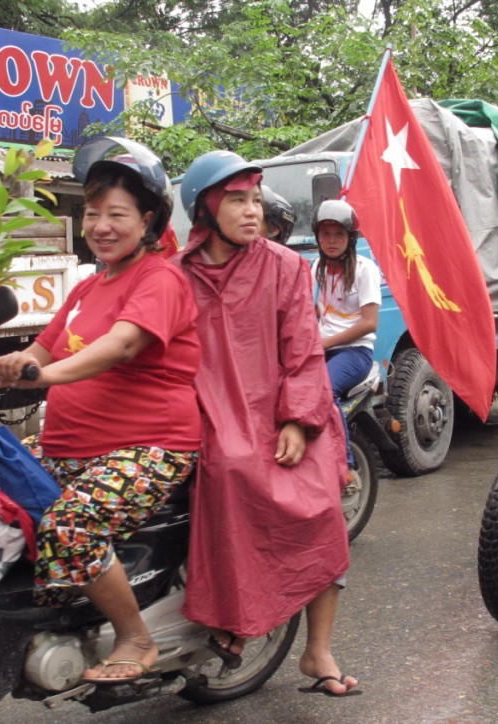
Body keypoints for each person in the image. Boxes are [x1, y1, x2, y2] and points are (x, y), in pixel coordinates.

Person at [0, 137, 201, 685]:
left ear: (148, 219)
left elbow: (124, 344)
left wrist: (47, 376)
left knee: (72, 522)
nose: (101, 225)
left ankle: (136, 638)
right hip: (70, 446)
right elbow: (43, 347)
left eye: (117, 214)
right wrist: (1, 364)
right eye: (92, 212)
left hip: (149, 447)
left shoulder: (161, 278)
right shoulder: (88, 285)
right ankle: (45, 607)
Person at [173, 150, 360, 696]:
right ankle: (233, 617)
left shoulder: (284, 266)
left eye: (255, 200)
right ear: (204, 209)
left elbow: (302, 351)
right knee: (228, 475)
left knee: (322, 509)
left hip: (285, 409)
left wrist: (298, 421)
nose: (251, 211)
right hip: (212, 410)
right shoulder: (176, 276)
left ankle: (317, 649)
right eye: (237, 200)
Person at [311, 199, 380, 476]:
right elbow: (314, 309)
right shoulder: (318, 266)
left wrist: (324, 343)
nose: (332, 240)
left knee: (325, 389)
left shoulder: (365, 269)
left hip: (355, 352)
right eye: (326, 234)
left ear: (350, 238)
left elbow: (369, 322)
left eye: (339, 234)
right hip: (321, 348)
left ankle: (345, 464)